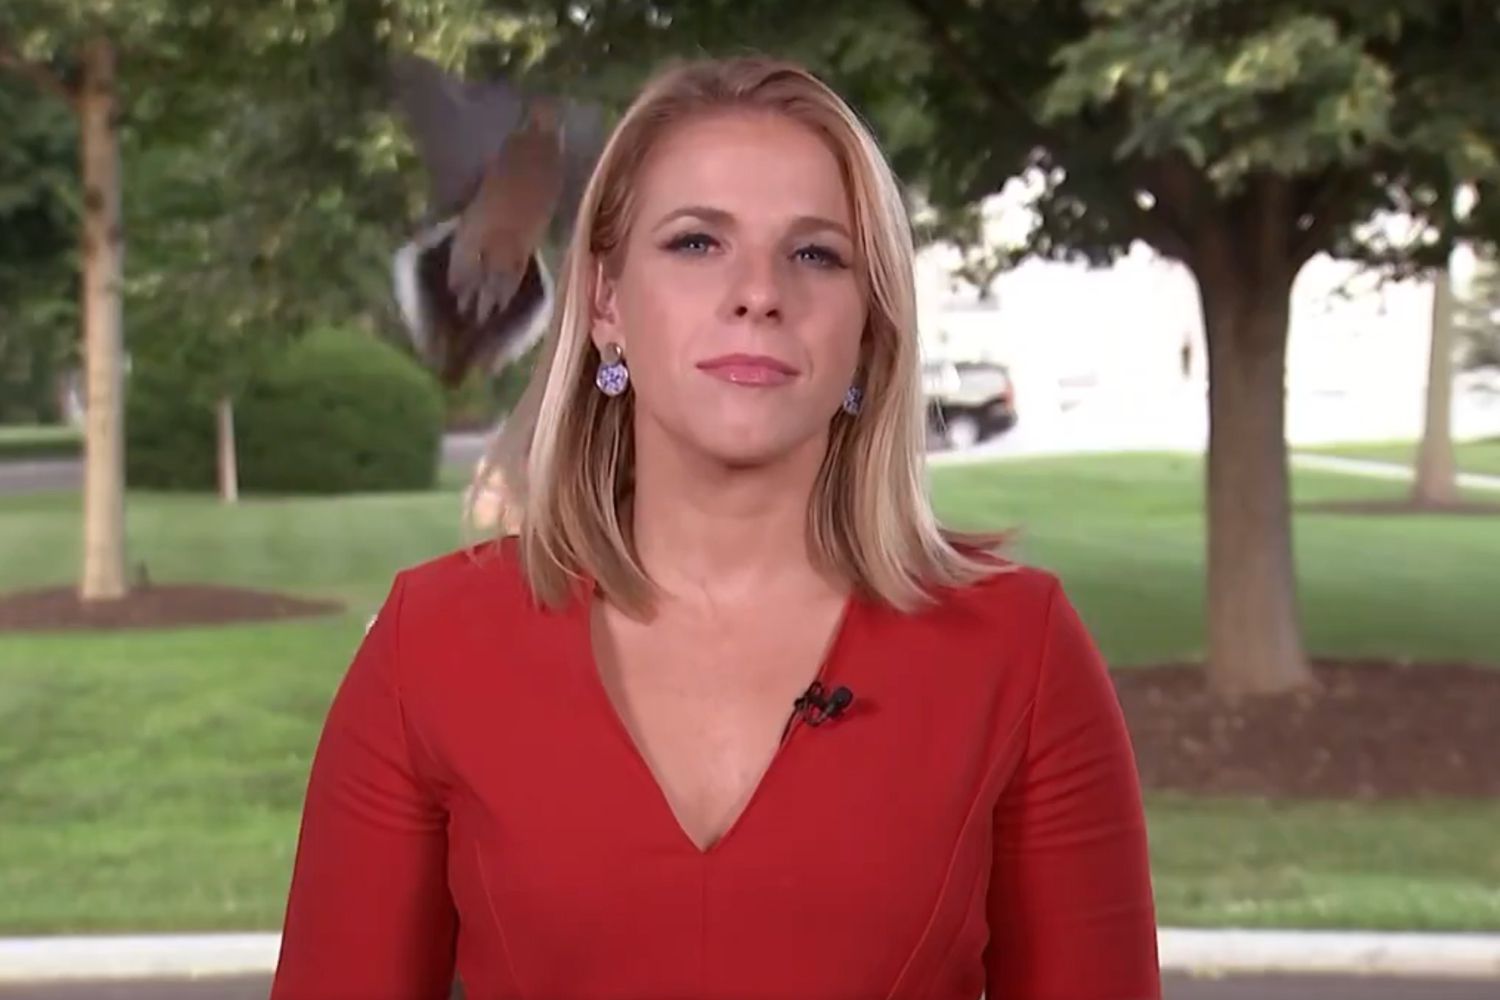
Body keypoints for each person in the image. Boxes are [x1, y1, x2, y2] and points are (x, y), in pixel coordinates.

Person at [270, 55, 1160, 1000]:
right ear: (607, 303)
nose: (759, 292)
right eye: (698, 243)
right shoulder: (432, 646)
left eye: (815, 253)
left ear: (869, 327)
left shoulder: (1017, 652)